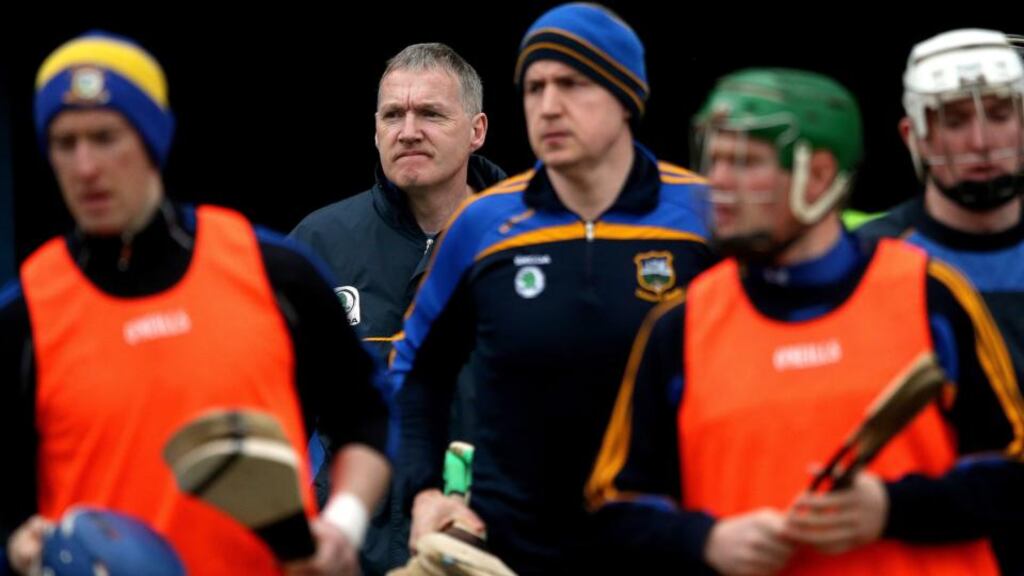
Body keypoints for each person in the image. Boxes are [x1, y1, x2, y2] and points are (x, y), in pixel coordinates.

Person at [587, 67, 1024, 575]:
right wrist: (707, 539)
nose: (719, 183)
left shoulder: (930, 294)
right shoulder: (680, 326)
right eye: (717, 159)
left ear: (817, 176)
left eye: (746, 162)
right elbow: (613, 507)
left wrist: (889, 508)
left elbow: (1012, 472)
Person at [0, 31, 391, 576]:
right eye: (65, 144)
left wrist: (342, 527)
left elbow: (367, 415)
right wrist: (20, 543)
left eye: (106, 137)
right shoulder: (27, 313)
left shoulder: (271, 272)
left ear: (153, 139)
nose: (85, 165)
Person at [390, 4, 714, 574]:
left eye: (572, 83)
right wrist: (422, 492)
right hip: (509, 552)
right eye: (534, 87)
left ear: (626, 97)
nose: (548, 106)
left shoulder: (705, 215)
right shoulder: (483, 224)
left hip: (671, 548)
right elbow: (416, 369)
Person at [289, 41, 505, 575]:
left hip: (492, 543)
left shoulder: (528, 238)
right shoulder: (320, 242)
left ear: (477, 130)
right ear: (376, 130)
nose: (409, 130)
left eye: (430, 113)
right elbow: (274, 407)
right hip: (352, 549)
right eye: (393, 115)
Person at [857, 29, 1024, 572]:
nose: (980, 140)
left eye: (999, 114)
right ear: (915, 135)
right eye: (954, 120)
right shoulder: (863, 261)